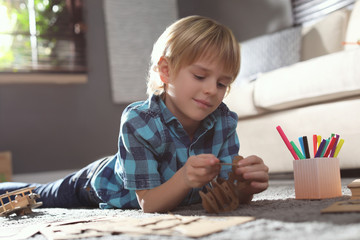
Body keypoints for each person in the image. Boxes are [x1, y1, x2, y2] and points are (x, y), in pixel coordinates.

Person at [0, 16, 269, 213]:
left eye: (222, 84)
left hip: (140, 179)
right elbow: (149, 204)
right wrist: (185, 178)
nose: (212, 90)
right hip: (98, 184)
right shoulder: (139, 121)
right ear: (166, 71)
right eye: (200, 76)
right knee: (39, 194)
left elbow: (226, 192)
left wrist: (245, 185)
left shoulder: (224, 121)